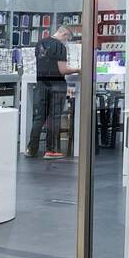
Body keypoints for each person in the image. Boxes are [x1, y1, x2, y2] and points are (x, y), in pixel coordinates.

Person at [26, 25, 79, 159]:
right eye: (67, 38)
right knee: (54, 117)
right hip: (56, 85)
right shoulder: (60, 47)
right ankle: (51, 150)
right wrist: (78, 69)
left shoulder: (39, 44)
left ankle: (31, 149)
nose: (66, 41)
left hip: (41, 84)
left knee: (40, 117)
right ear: (65, 35)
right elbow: (62, 70)